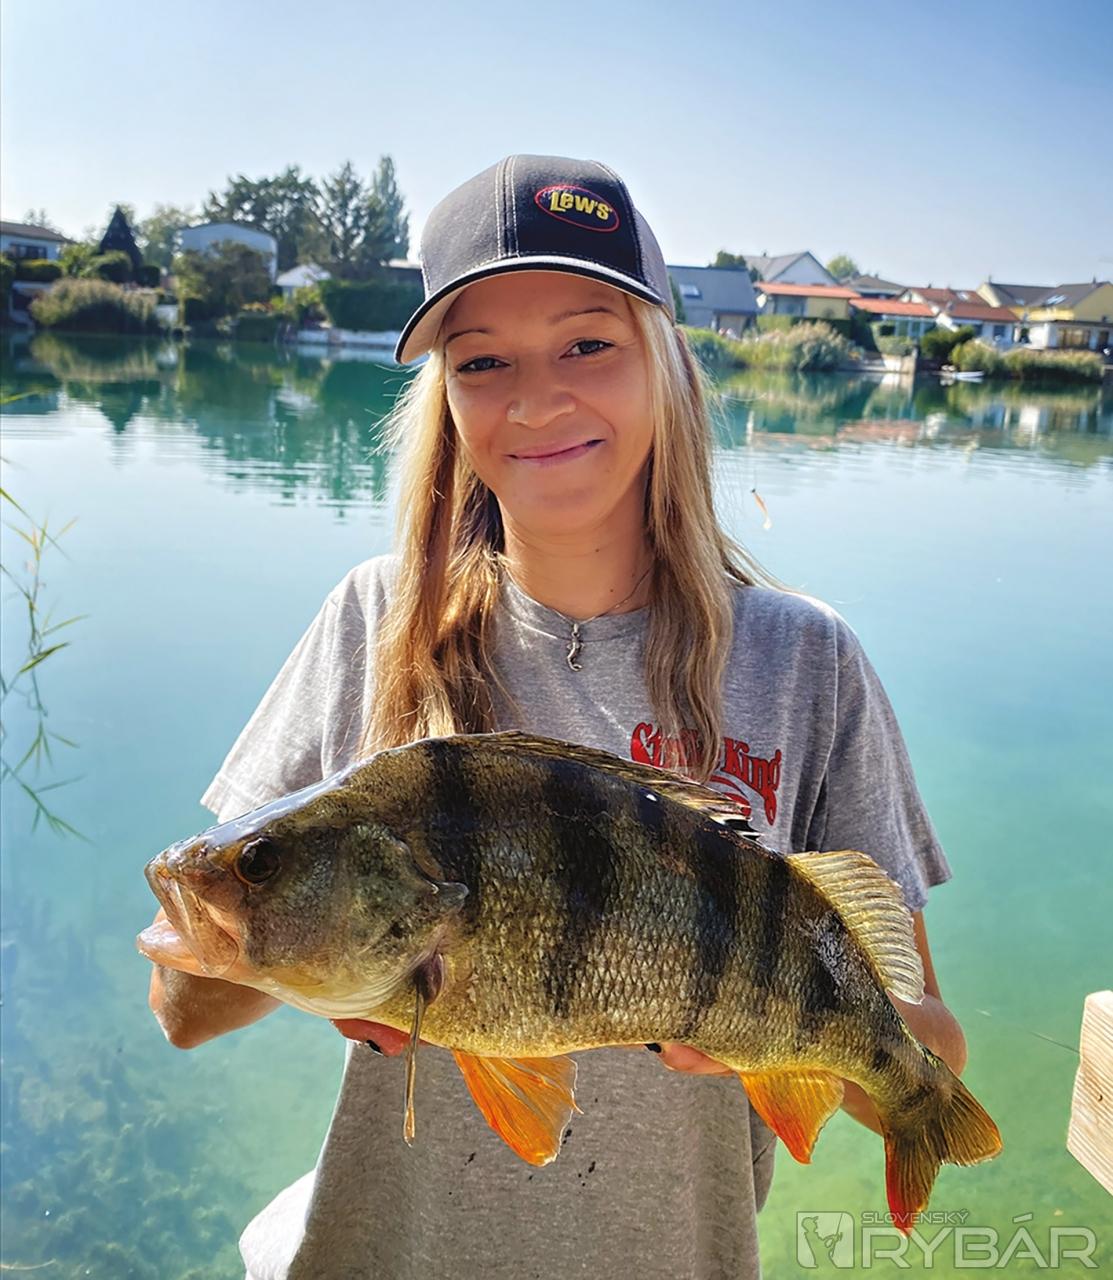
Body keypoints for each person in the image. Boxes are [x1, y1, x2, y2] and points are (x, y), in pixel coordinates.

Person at [146, 154, 966, 1279]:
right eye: (482, 361)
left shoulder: (806, 661)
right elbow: (181, 1012)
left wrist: (788, 1042)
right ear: (446, 398)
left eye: (587, 344)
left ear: (665, 362)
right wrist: (286, 955)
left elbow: (930, 1054)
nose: (535, 400)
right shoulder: (373, 620)